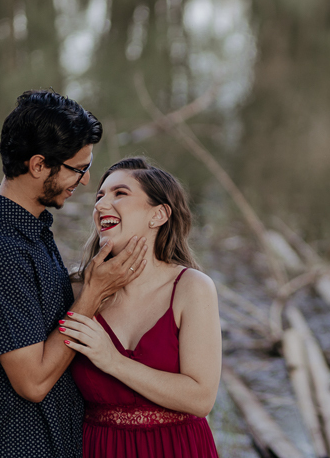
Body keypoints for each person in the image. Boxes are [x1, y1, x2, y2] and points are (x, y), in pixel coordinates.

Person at [0, 90, 148, 458]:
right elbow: (33, 383)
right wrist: (92, 295)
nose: (85, 182)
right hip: (14, 448)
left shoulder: (24, 227)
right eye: (77, 169)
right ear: (38, 165)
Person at [61, 156, 221, 458]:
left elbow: (201, 398)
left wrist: (113, 361)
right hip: (100, 449)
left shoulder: (192, 288)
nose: (101, 205)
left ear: (158, 214)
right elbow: (27, 348)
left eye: (119, 194)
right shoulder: (77, 291)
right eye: (100, 196)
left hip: (179, 448)